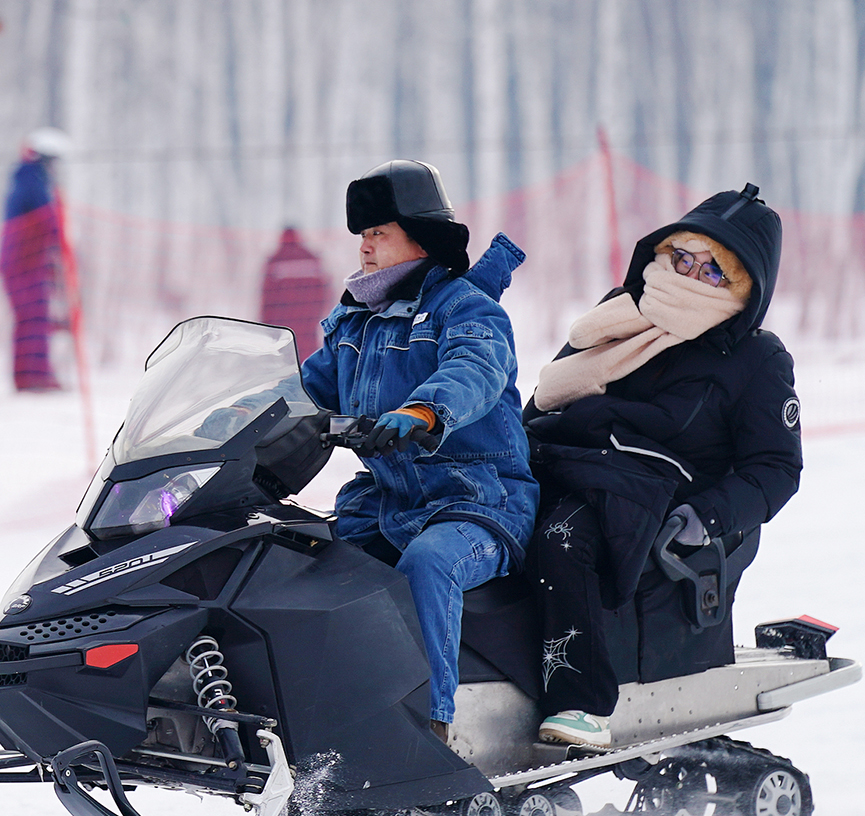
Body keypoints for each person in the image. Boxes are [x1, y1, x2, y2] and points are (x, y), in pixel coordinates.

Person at [523, 184, 801, 750]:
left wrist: (707, 517)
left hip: (647, 498)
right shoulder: (618, 316)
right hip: (561, 461)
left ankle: (581, 703)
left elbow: (775, 467)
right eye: (683, 259)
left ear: (746, 286)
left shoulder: (756, 360)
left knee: (559, 537)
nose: (690, 276)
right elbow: (546, 401)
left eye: (713, 271)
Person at [299, 160, 539, 740]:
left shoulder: (467, 310)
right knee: (305, 562)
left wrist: (424, 411)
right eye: (362, 234)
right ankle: (325, 719)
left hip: (478, 502)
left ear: (420, 238)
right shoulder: (355, 322)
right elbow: (305, 390)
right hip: (389, 501)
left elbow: (474, 370)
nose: (365, 246)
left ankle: (428, 727)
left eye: (379, 233)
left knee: (430, 563)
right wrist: (236, 414)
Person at [0, 127, 72, 391]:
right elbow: (47, 220)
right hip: (24, 263)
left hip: (25, 262)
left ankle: (26, 376)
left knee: (28, 319)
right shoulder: (32, 181)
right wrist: (63, 245)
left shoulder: (25, 178)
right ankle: (35, 376)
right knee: (34, 318)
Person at [258, 226, 330, 363]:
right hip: (308, 319)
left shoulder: (276, 259)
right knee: (308, 356)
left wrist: (265, 322)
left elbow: (267, 295)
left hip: (282, 320)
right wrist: (320, 312)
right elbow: (323, 288)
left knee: (284, 361)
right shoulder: (312, 258)